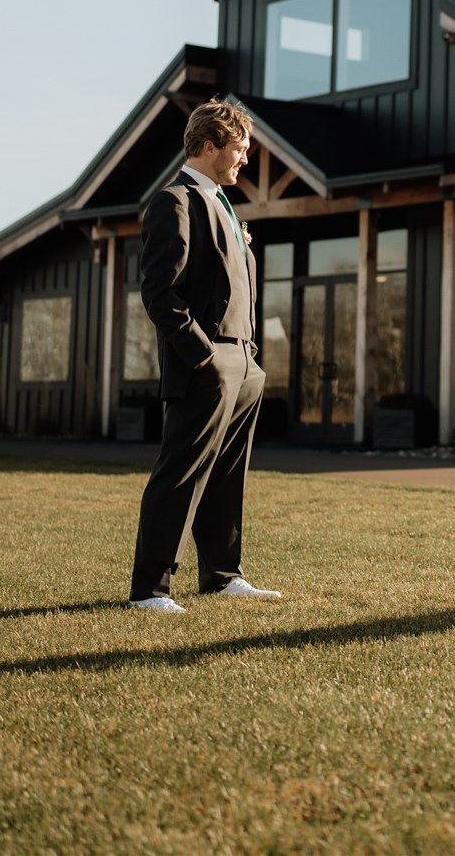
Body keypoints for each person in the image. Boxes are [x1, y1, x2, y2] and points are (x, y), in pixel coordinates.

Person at [127, 98, 282, 612]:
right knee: (180, 475)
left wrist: (250, 355)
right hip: (207, 364)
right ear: (209, 146)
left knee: (226, 475)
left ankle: (222, 574)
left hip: (244, 364)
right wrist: (203, 356)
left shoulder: (225, 204)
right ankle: (150, 590)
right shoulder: (174, 201)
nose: (244, 160)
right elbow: (158, 292)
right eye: (239, 150)